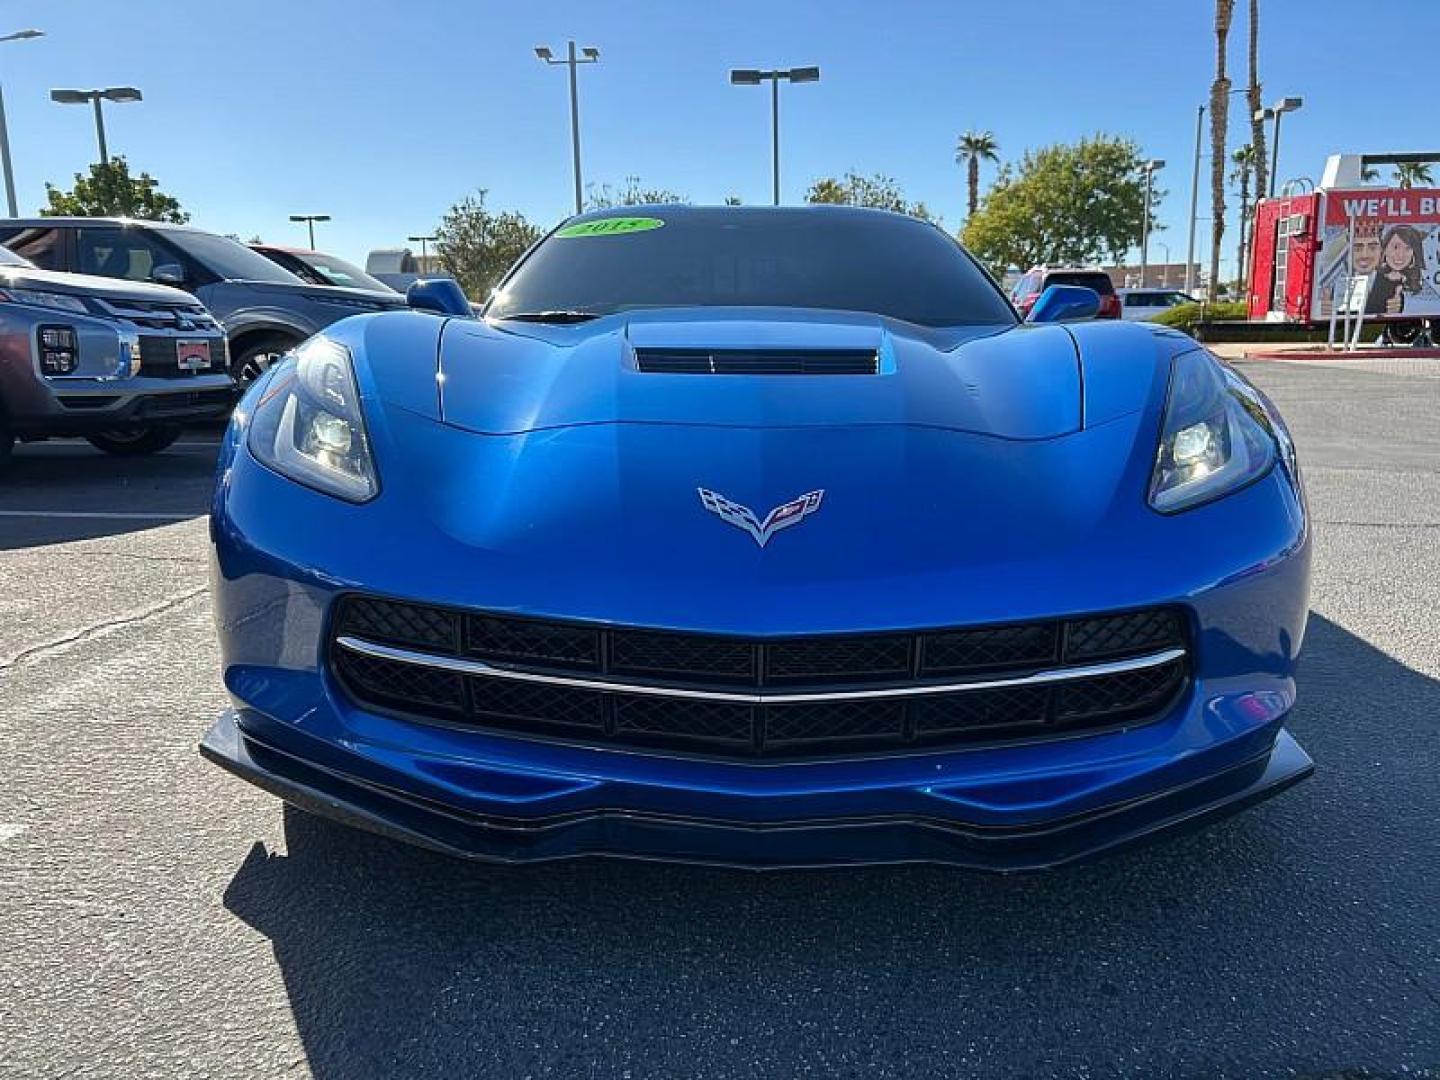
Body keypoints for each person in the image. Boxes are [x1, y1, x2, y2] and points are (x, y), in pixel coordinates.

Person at [1366, 224, 1426, 316]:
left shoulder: (1420, 282)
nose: (1400, 255)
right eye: (1395, 247)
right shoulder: (1370, 278)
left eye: (1408, 248)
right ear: (1384, 249)